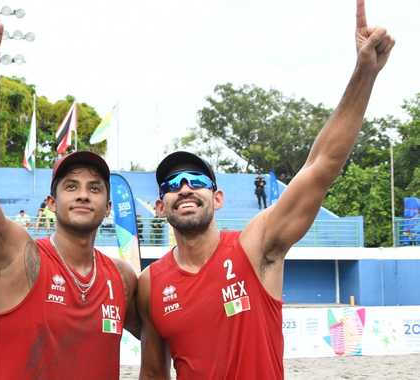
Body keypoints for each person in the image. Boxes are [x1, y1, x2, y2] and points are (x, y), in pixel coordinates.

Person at [138, 2, 394, 378]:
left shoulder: (255, 247)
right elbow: (153, 374)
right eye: (173, 184)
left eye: (197, 180)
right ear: (161, 206)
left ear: (218, 197)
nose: (186, 188)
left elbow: (320, 167)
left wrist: (364, 74)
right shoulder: (150, 284)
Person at [0, 24, 140, 379]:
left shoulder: (122, 278)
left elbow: (173, 332)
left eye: (95, 188)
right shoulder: (19, 256)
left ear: (109, 208)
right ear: (51, 203)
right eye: (71, 186)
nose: (84, 193)